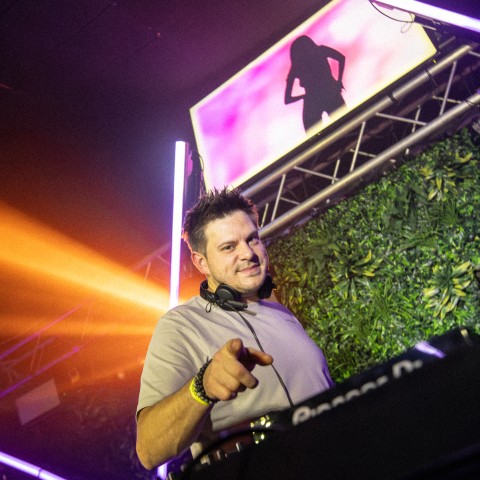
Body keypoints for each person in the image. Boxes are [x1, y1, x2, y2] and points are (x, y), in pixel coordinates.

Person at [136, 187, 334, 470]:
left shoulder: (277, 309)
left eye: (252, 239)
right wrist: (202, 386)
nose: (248, 253)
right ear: (201, 262)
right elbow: (148, 449)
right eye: (229, 247)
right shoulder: (180, 326)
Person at [285, 35, 346, 131]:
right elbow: (341, 58)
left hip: (317, 98)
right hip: (327, 94)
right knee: (344, 124)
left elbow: (287, 99)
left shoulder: (297, 66)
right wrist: (339, 80)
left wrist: (304, 96)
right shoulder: (320, 51)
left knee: (343, 124)